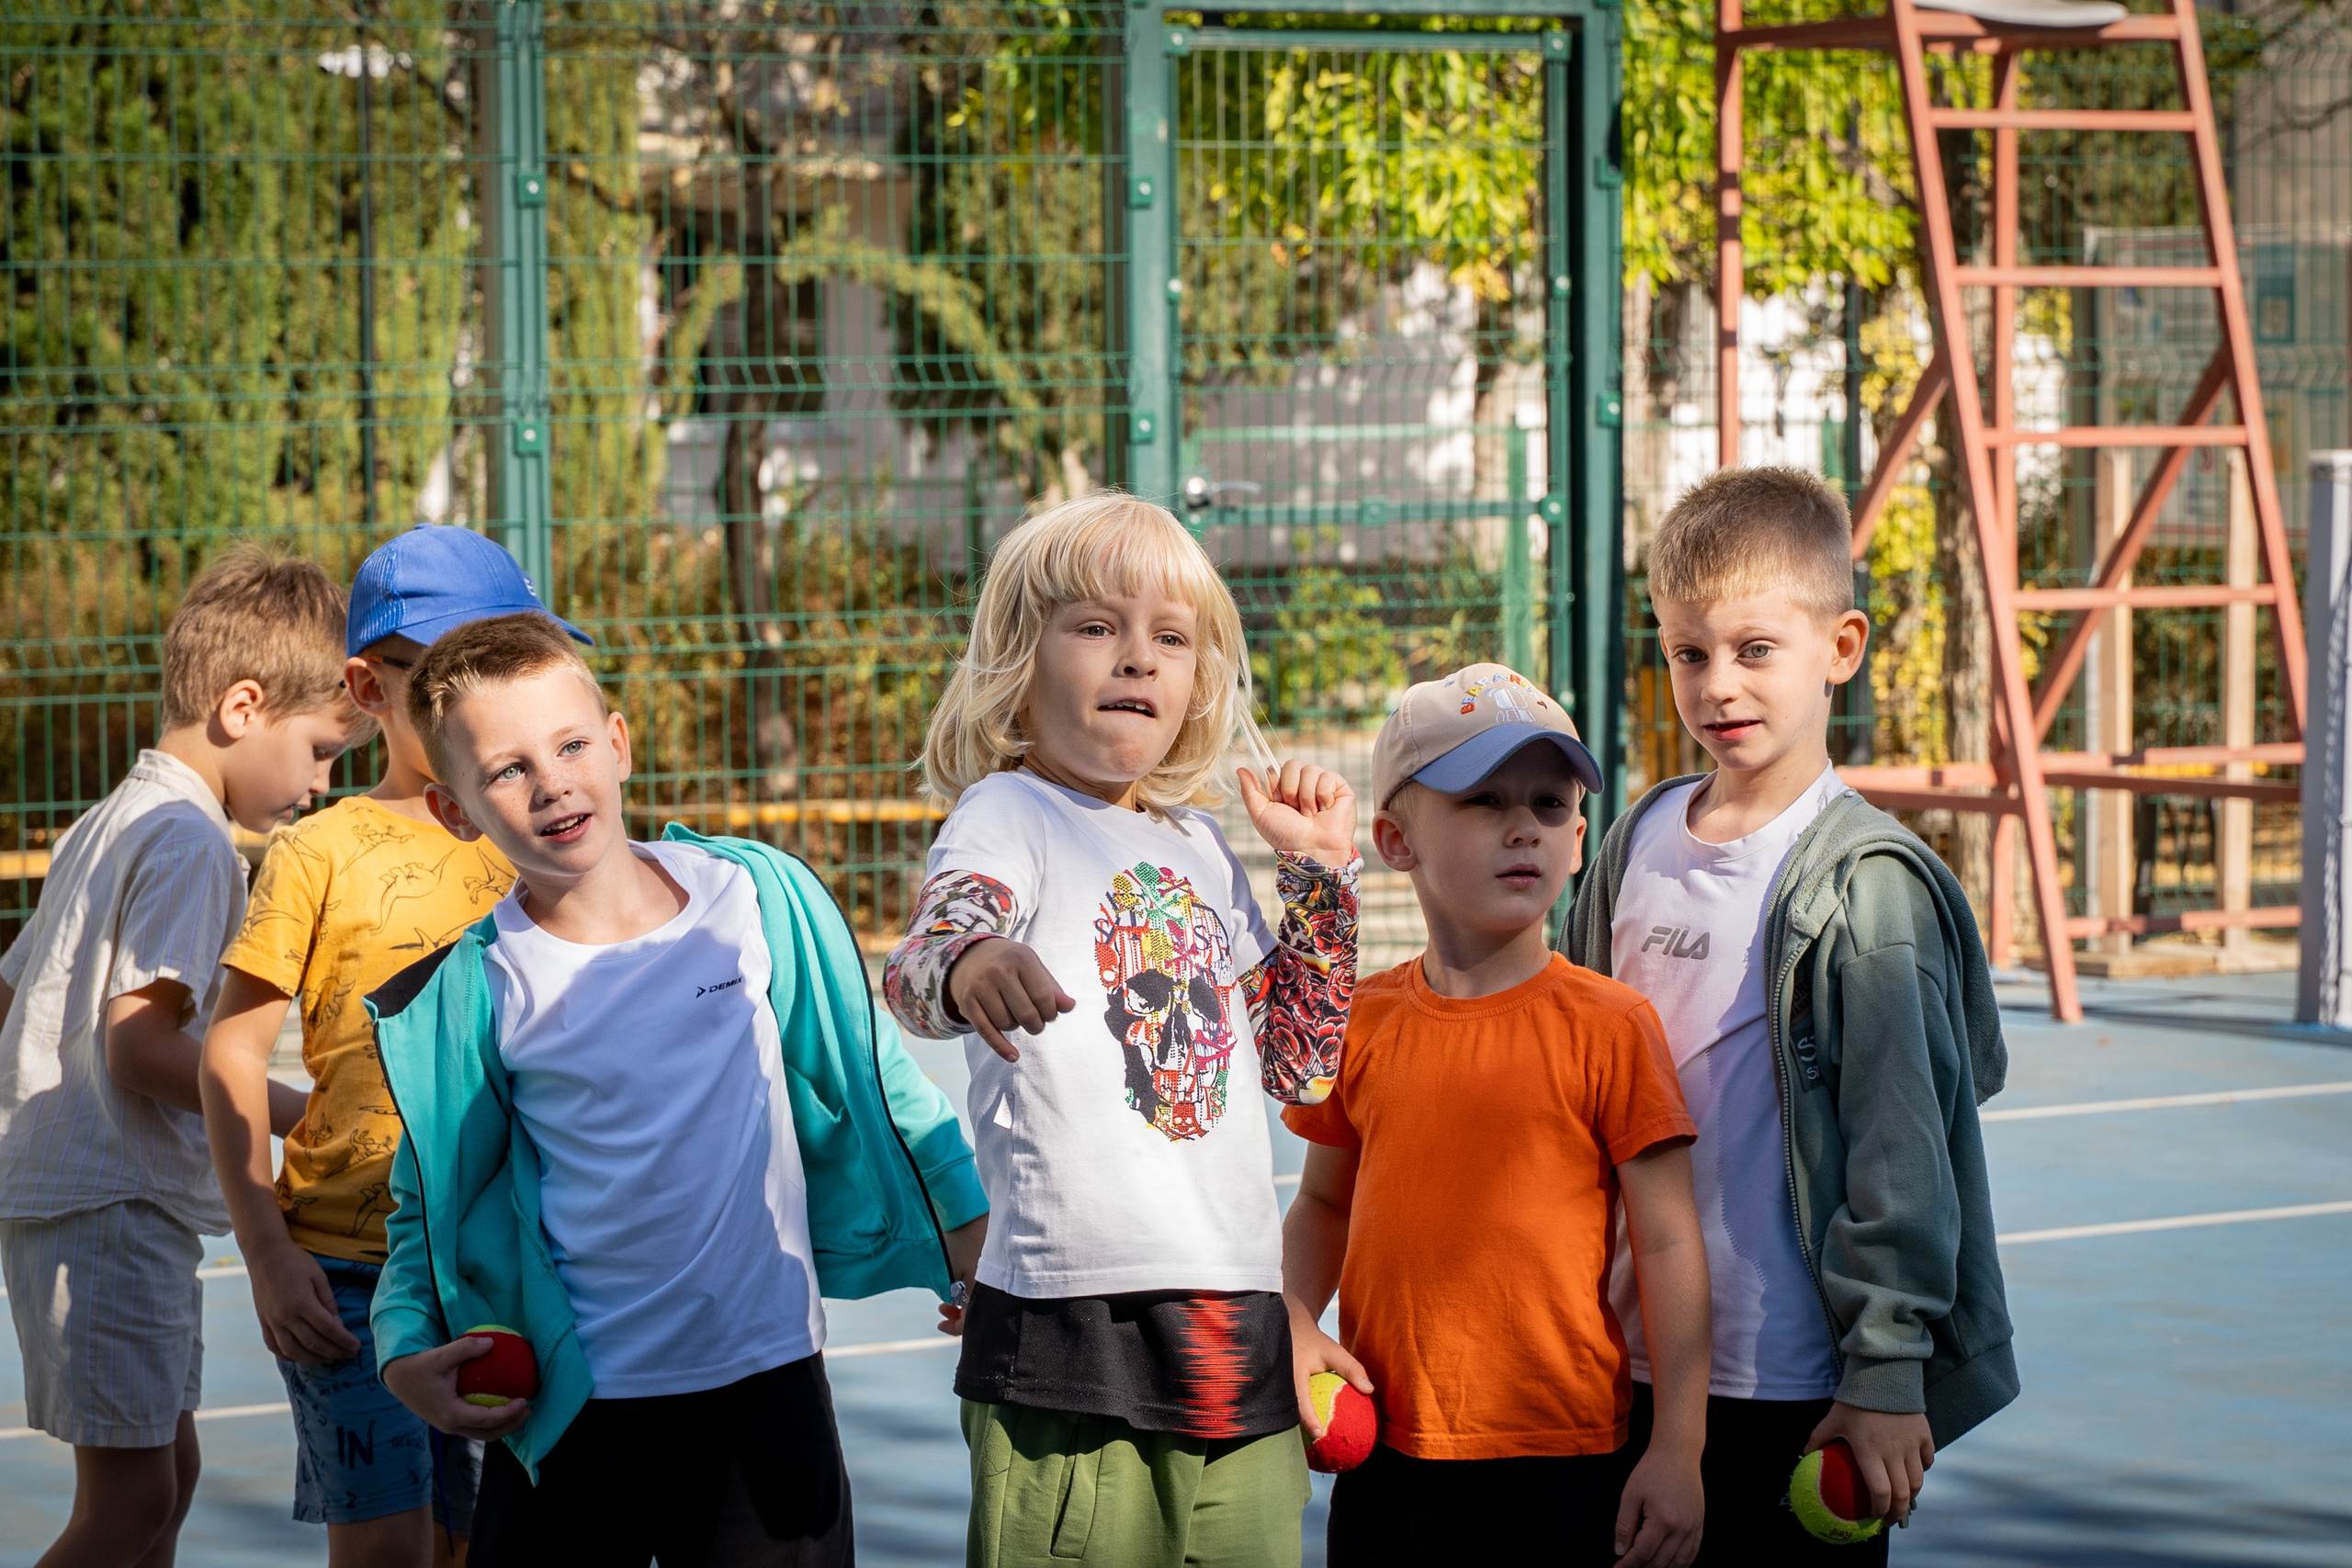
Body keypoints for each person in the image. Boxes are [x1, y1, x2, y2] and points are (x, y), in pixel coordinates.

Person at [364, 611, 988, 1568]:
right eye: (507, 769)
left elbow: (877, 1085)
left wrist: (969, 1235)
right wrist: (405, 1349)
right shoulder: (475, 987)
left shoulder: (751, 900)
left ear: (616, 745)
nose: (551, 783)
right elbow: (430, 1196)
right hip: (577, 1409)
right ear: (457, 811)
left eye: (570, 745)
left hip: (766, 1384)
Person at [880, 492, 1360, 1568]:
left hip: (1235, 1330)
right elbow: (915, 971)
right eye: (1097, 626)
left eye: (1170, 637)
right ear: (1019, 657)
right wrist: (968, 963)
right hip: (1073, 1334)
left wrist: (1318, 878)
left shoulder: (1199, 846)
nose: (1137, 657)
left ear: (1197, 681)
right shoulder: (1009, 815)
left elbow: (1299, 1060)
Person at [1561, 467, 2018, 1561]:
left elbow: (1899, 1153)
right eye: (1688, 652)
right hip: (1622, 1361)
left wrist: (1886, 1371)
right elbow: (1575, 1068)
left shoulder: (1865, 889)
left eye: (1755, 649)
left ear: (1841, 649)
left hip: (1789, 1380)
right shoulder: (1636, 838)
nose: (1719, 683)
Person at [199, 526, 592, 1568]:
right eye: (451, 674)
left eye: (510, 666)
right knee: (385, 1553)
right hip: (346, 1277)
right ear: (370, 689)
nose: (485, 701)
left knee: (484, 1546)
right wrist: (269, 1254)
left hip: (506, 1258)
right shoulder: (318, 850)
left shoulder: (546, 843)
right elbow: (230, 1057)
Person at [1280, 663, 1713, 1568]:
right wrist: (1290, 1317)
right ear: (1396, 840)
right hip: (1391, 1456)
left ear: (1579, 836)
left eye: (1550, 805)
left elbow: (1669, 1244)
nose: (1524, 826)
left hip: (1564, 1464)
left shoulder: (1613, 1025)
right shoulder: (1362, 1020)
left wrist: (1678, 1447)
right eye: (1484, 801)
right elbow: (1324, 1205)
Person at [0, 547, 364, 1568]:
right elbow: (136, 1046)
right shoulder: (195, 841)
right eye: (322, 750)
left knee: (167, 1483)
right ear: (244, 707)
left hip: (83, 1202)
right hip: (106, 1209)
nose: (321, 785)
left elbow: (14, 992)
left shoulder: (107, 820)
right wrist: (300, 1112)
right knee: (126, 1507)